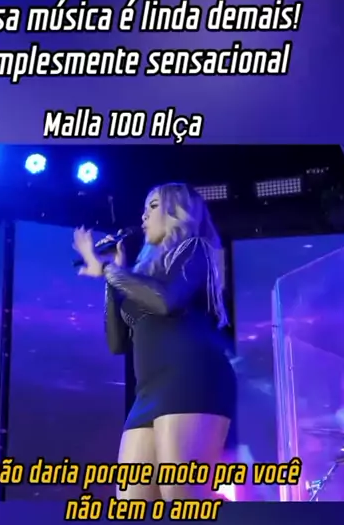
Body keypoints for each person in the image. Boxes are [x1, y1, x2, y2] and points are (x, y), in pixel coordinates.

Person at [72, 182, 237, 501]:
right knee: (132, 502)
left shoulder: (195, 249)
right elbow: (117, 343)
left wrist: (106, 269)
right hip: (149, 391)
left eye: (153, 206)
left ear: (177, 211)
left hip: (191, 379)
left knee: (182, 496)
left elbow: (165, 301)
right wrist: (113, 275)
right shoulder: (140, 276)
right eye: (144, 207)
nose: (143, 215)